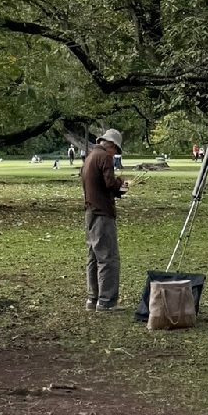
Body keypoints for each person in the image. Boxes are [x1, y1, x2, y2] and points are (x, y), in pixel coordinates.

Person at [81, 128, 130, 311]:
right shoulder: (105, 157)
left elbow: (99, 184)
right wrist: (121, 183)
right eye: (116, 150)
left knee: (93, 256)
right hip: (102, 212)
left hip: (90, 211)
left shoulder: (90, 156)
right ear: (111, 145)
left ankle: (92, 299)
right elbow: (109, 183)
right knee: (108, 258)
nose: (115, 154)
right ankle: (106, 301)